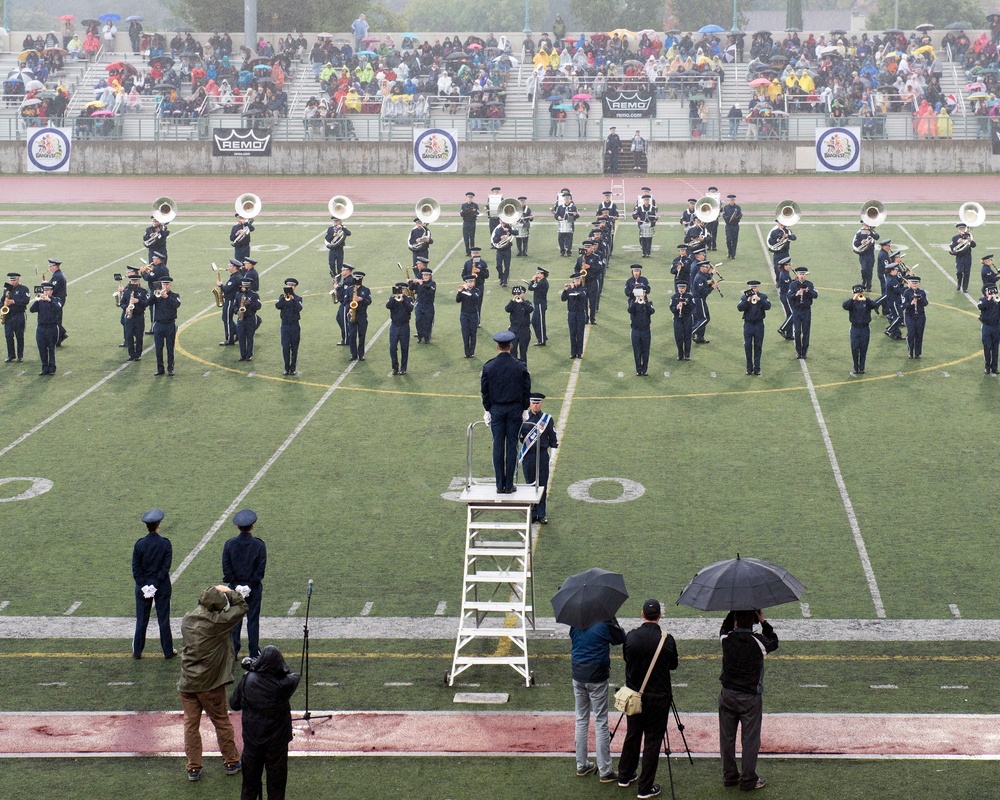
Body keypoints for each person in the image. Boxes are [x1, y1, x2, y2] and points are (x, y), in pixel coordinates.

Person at [177, 583, 248, 782]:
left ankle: (193, 767)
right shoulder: (217, 623)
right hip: (210, 684)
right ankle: (232, 761)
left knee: (191, 726)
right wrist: (229, 592)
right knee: (221, 722)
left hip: (187, 682)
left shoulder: (187, 619)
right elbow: (242, 607)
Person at [617, 599, 679, 799]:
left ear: (642, 614)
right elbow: (673, 665)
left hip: (635, 696)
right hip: (659, 698)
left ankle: (625, 775)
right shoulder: (667, 639)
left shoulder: (631, 636)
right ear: (660, 615)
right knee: (652, 741)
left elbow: (627, 659)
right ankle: (644, 787)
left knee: (633, 734)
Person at [229, 645, 300, 800]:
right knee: (276, 789)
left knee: (249, 788)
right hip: (276, 745)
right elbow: (295, 676)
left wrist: (253, 668)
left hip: (252, 742)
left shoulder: (248, 679)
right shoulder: (284, 685)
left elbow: (234, 703)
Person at [718, 609, 778, 792]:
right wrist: (763, 621)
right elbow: (774, 642)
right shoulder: (758, 641)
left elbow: (723, 628)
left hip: (727, 694)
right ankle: (748, 780)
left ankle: (729, 776)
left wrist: (733, 608)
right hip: (750, 697)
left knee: (727, 738)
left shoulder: (727, 639)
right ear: (752, 621)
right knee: (750, 741)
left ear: (735, 621)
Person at [569, 611, 624, 782]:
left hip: (578, 673)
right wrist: (612, 618)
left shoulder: (576, 619)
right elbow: (620, 638)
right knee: (600, 722)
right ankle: (605, 770)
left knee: (581, 719)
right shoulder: (604, 621)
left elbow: (573, 637)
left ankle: (581, 764)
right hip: (597, 675)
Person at [480, 330, 531, 493]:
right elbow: (526, 389)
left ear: (497, 347)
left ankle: (499, 485)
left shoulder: (489, 366)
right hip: (514, 410)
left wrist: (488, 409)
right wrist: (524, 408)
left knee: (497, 446)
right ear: (511, 346)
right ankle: (509, 485)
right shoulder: (520, 366)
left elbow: (485, 391)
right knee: (512, 446)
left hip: (497, 410)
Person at [132, 508, 176, 659]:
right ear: (158, 525)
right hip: (161, 586)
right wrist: (155, 584)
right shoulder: (165, 544)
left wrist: (144, 585)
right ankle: (168, 651)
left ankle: (137, 651)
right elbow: (165, 568)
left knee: (141, 620)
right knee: (163, 620)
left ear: (146, 526)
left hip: (143, 587)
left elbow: (136, 569)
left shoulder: (139, 545)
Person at [223, 508, 267, 659]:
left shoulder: (229, 545)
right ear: (252, 526)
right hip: (253, 589)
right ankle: (253, 651)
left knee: (235, 620)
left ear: (237, 527)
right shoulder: (259, 545)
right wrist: (249, 586)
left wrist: (236, 585)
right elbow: (260, 571)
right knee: (253, 621)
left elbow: (227, 571)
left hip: (234, 590)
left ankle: (234, 651)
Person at [519, 393, 557, 523]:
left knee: (542, 485)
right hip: (528, 455)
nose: (535, 405)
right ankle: (532, 513)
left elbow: (553, 439)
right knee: (530, 485)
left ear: (541, 403)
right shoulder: (523, 418)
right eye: (533, 403)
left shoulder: (547, 419)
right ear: (530, 403)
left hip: (542, 455)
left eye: (538, 403)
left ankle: (541, 514)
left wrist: (552, 457)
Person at [843, 284, 879, 375]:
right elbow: (845, 306)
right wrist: (853, 299)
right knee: (854, 348)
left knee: (863, 348)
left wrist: (866, 300)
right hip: (855, 327)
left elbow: (875, 305)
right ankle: (856, 367)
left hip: (865, 327)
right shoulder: (852, 302)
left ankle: (862, 368)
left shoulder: (866, 302)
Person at [737, 280, 770, 376]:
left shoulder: (763, 296)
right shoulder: (744, 297)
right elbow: (739, 308)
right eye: (752, 288)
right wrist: (747, 301)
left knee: (758, 346)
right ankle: (749, 368)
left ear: (758, 288)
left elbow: (768, 306)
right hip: (748, 324)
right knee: (747, 346)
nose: (753, 289)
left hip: (759, 324)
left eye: (755, 288)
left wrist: (760, 300)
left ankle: (757, 368)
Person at [29, 282, 62, 375]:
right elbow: (31, 310)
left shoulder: (56, 300)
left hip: (52, 328)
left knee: (51, 348)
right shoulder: (40, 301)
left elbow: (58, 308)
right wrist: (37, 300)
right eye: (44, 290)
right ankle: (44, 368)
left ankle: (52, 368)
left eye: (47, 290)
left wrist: (49, 300)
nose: (45, 292)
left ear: (51, 291)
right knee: (42, 349)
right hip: (41, 328)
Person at [789, 267, 817, 359]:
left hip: (806, 310)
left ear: (805, 275)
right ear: (797, 275)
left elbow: (815, 295)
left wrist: (807, 291)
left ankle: (804, 352)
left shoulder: (809, 284)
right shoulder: (793, 284)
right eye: (800, 274)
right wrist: (796, 294)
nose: (801, 276)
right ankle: (798, 351)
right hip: (797, 310)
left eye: (803, 274)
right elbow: (789, 296)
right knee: (797, 331)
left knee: (806, 331)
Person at [275, 278, 302, 376]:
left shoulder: (298, 298)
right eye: (288, 286)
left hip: (295, 325)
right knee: (285, 347)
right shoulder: (281, 297)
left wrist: (293, 300)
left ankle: (293, 368)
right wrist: (284, 298)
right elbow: (278, 306)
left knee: (294, 348)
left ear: (294, 288)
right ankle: (286, 368)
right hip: (285, 325)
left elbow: (299, 308)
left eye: (292, 286)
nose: (290, 287)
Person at [387, 282, 414, 375]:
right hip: (394, 326)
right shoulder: (392, 298)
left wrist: (403, 301)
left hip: (404, 326)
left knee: (404, 348)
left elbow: (410, 308)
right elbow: (388, 306)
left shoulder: (409, 299)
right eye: (400, 290)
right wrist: (394, 298)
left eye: (403, 289)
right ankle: (395, 367)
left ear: (406, 290)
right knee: (392, 348)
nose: (401, 291)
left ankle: (403, 368)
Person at [3, 272, 30, 362]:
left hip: (19, 315)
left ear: (18, 279)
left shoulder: (24, 289)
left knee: (19, 336)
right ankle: (11, 355)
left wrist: (14, 301)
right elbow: (2, 300)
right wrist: (1, 310)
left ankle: (20, 355)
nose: (12, 282)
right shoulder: (7, 289)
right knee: (8, 336)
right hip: (8, 316)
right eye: (11, 280)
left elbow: (26, 300)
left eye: (14, 280)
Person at [345, 270, 372, 361]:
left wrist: (361, 299)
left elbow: (369, 301)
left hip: (362, 315)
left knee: (362, 335)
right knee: (352, 335)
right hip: (352, 314)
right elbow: (345, 302)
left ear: (362, 280)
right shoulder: (349, 290)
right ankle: (353, 354)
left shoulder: (366, 290)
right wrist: (349, 308)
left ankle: (361, 354)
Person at [628, 284, 654, 376]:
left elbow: (652, 311)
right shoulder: (632, 302)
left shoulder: (649, 303)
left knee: (645, 351)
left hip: (646, 330)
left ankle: (645, 369)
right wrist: (635, 301)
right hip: (635, 330)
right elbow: (630, 310)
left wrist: (645, 303)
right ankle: (638, 369)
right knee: (637, 351)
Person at [121, 273, 148, 362]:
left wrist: (138, 301)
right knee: (129, 336)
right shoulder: (127, 291)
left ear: (139, 281)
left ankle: (138, 354)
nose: (134, 283)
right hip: (129, 317)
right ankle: (131, 354)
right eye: (133, 281)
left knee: (139, 336)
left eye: (136, 281)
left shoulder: (143, 291)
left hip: (139, 317)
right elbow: (122, 303)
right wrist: (126, 308)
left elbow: (146, 303)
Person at [561, 272, 587, 358]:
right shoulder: (569, 289)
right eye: (576, 279)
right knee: (572, 333)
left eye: (578, 279)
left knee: (580, 333)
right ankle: (573, 352)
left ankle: (579, 353)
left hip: (580, 313)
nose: (577, 281)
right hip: (571, 313)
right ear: (573, 280)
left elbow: (582, 296)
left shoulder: (583, 288)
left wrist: (572, 289)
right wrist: (565, 290)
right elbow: (563, 298)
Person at [234, 278, 261, 362]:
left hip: (250, 318)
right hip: (241, 318)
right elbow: (234, 305)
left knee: (250, 337)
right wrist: (237, 311)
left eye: (245, 285)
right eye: (243, 285)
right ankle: (242, 355)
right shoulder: (238, 294)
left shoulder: (254, 295)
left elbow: (258, 306)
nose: (243, 287)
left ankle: (249, 355)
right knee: (241, 337)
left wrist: (250, 303)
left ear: (250, 286)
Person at [505, 285, 533, 364]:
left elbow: (530, 309)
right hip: (514, 329)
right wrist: (512, 301)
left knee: (523, 352)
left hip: (524, 330)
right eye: (516, 294)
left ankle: (523, 369)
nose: (518, 295)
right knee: (512, 351)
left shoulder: (527, 303)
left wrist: (522, 302)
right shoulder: (513, 304)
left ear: (523, 294)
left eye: (519, 293)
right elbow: (507, 309)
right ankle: (515, 370)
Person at [902, 275, 928, 359]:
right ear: (909, 283)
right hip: (910, 316)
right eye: (913, 283)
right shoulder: (906, 292)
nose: (914, 285)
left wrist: (920, 300)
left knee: (919, 334)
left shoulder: (922, 292)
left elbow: (926, 303)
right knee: (911, 333)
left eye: (916, 283)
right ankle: (910, 351)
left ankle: (918, 353)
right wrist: (911, 303)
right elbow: (903, 305)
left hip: (920, 316)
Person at [218, 259, 241, 346]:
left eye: (230, 266)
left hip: (230, 301)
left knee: (227, 320)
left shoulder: (235, 277)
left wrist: (220, 285)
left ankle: (229, 339)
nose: (229, 267)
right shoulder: (236, 276)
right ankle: (237, 332)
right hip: (231, 300)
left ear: (235, 267)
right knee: (226, 319)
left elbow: (227, 289)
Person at [669, 281, 694, 361]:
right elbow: (671, 308)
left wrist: (686, 304)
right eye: (680, 288)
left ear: (685, 288)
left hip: (687, 318)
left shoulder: (689, 296)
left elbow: (693, 307)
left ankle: (687, 354)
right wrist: (677, 307)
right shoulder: (674, 297)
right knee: (678, 336)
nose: (681, 290)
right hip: (677, 318)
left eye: (683, 288)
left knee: (687, 336)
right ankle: (680, 354)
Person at [978, 283, 1000, 375]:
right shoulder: (982, 300)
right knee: (987, 347)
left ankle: (994, 367)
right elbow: (980, 307)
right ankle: (987, 367)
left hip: (996, 326)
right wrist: (988, 299)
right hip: (986, 326)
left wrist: (997, 301)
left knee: (995, 348)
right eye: (988, 291)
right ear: (985, 292)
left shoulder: (997, 301)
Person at [456, 277, 481, 357]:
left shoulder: (477, 291)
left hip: (473, 314)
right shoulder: (463, 290)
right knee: (465, 333)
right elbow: (457, 300)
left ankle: (472, 351)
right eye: (468, 282)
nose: (470, 283)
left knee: (473, 333)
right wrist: (459, 292)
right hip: (464, 314)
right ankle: (467, 352)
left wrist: (467, 291)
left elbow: (475, 298)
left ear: (474, 282)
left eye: (471, 282)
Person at [411, 266, 436, 344]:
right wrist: (412, 282)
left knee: (428, 322)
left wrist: (421, 284)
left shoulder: (432, 284)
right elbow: (411, 288)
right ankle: (419, 335)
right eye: (424, 275)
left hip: (429, 305)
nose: (425, 277)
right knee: (418, 320)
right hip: (420, 305)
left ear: (430, 276)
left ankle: (427, 337)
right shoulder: (419, 282)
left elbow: (430, 291)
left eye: (427, 275)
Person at [852, 220, 879, 292]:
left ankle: (869, 285)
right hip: (863, 255)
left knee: (870, 270)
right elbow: (855, 243)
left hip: (870, 254)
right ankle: (864, 282)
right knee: (864, 269)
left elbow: (877, 237)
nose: (865, 226)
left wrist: (870, 233)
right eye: (864, 224)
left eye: (866, 224)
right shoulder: (860, 233)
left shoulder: (871, 231)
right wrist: (861, 242)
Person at [950, 222, 976, 293]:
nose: (962, 230)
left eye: (963, 228)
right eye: (960, 229)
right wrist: (957, 242)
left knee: (967, 273)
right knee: (959, 271)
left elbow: (974, 245)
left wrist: (970, 241)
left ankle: (965, 288)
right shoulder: (955, 238)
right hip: (959, 257)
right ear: (958, 230)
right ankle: (959, 283)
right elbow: (952, 247)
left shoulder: (968, 236)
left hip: (967, 257)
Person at [47, 258, 68, 345]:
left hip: (57, 300)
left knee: (56, 319)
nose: (49, 268)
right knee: (54, 318)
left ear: (55, 266)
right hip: (58, 299)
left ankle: (59, 337)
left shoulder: (57, 276)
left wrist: (45, 285)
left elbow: (53, 289)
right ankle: (61, 334)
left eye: (51, 266)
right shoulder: (57, 274)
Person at [528, 267, 549, 346]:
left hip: (540, 304)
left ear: (542, 274)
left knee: (540, 322)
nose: (537, 275)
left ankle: (542, 340)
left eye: (538, 273)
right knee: (534, 321)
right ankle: (542, 336)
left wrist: (533, 280)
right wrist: (535, 282)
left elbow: (530, 288)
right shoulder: (541, 282)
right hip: (538, 304)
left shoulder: (542, 283)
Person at [721, 194, 742, 260]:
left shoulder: (738, 207)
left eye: (733, 200)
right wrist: (728, 218)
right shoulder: (726, 207)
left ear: (734, 200)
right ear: (729, 200)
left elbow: (740, 215)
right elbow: (724, 216)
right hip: (728, 226)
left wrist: (736, 218)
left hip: (735, 226)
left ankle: (733, 254)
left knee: (735, 240)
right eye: (731, 200)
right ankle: (729, 252)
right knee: (728, 240)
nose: (732, 201)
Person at [460, 191, 479, 256]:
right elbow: (461, 214)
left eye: (471, 197)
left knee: (472, 237)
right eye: (468, 197)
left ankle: (472, 251)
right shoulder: (463, 205)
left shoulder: (475, 205)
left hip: (472, 223)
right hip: (466, 223)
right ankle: (467, 252)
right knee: (466, 237)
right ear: (467, 198)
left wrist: (472, 212)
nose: (469, 199)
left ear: (472, 198)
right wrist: (467, 211)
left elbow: (477, 213)